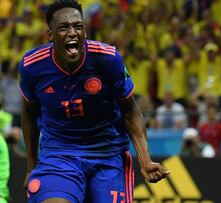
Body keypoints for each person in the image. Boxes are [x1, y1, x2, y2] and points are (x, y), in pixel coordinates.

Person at [19, 1, 169, 203]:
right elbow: (29, 113)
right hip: (59, 154)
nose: (72, 32)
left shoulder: (107, 59)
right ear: (50, 34)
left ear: (85, 31)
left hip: (107, 154)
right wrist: (31, 165)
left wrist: (145, 160)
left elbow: (130, 110)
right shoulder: (32, 66)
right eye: (64, 27)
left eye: (78, 26)